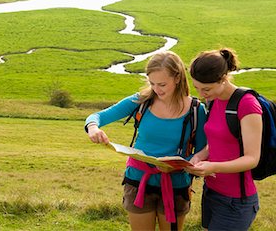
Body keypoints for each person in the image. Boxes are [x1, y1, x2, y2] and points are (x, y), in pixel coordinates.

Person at [85, 51, 207, 231]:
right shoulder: (141, 100)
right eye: (152, 83)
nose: (157, 89)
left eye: (163, 84)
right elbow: (96, 116)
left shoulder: (197, 110)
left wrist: (185, 164)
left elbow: (203, 150)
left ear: (178, 78)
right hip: (137, 181)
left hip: (176, 185)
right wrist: (93, 128)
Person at [187, 48, 263, 231]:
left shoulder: (247, 104)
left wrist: (213, 167)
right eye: (197, 88)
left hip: (236, 201)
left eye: (206, 89)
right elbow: (216, 142)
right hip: (211, 192)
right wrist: (200, 156)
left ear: (223, 79)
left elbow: (252, 159)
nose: (202, 94)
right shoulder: (213, 100)